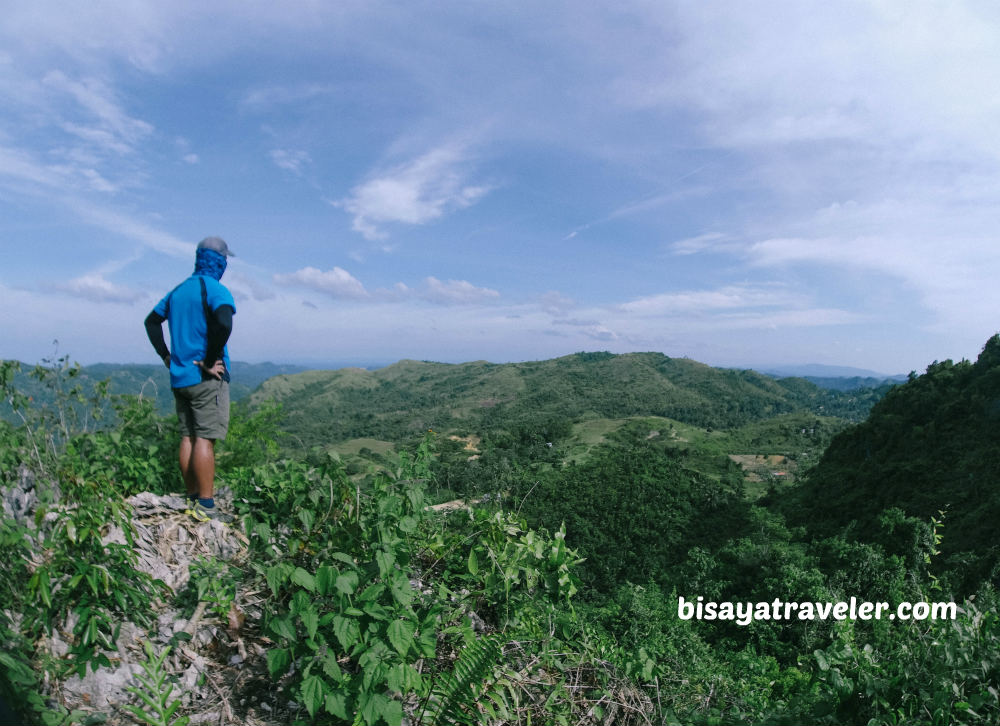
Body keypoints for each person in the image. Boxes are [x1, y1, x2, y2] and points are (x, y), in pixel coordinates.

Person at [144, 237, 236, 521]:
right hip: (206, 379)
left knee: (188, 436)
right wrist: (209, 361)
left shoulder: (178, 291)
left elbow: (151, 321)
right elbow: (224, 322)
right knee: (205, 440)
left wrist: (167, 357)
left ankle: (193, 497)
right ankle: (207, 507)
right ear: (220, 262)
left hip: (180, 378)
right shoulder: (215, 289)